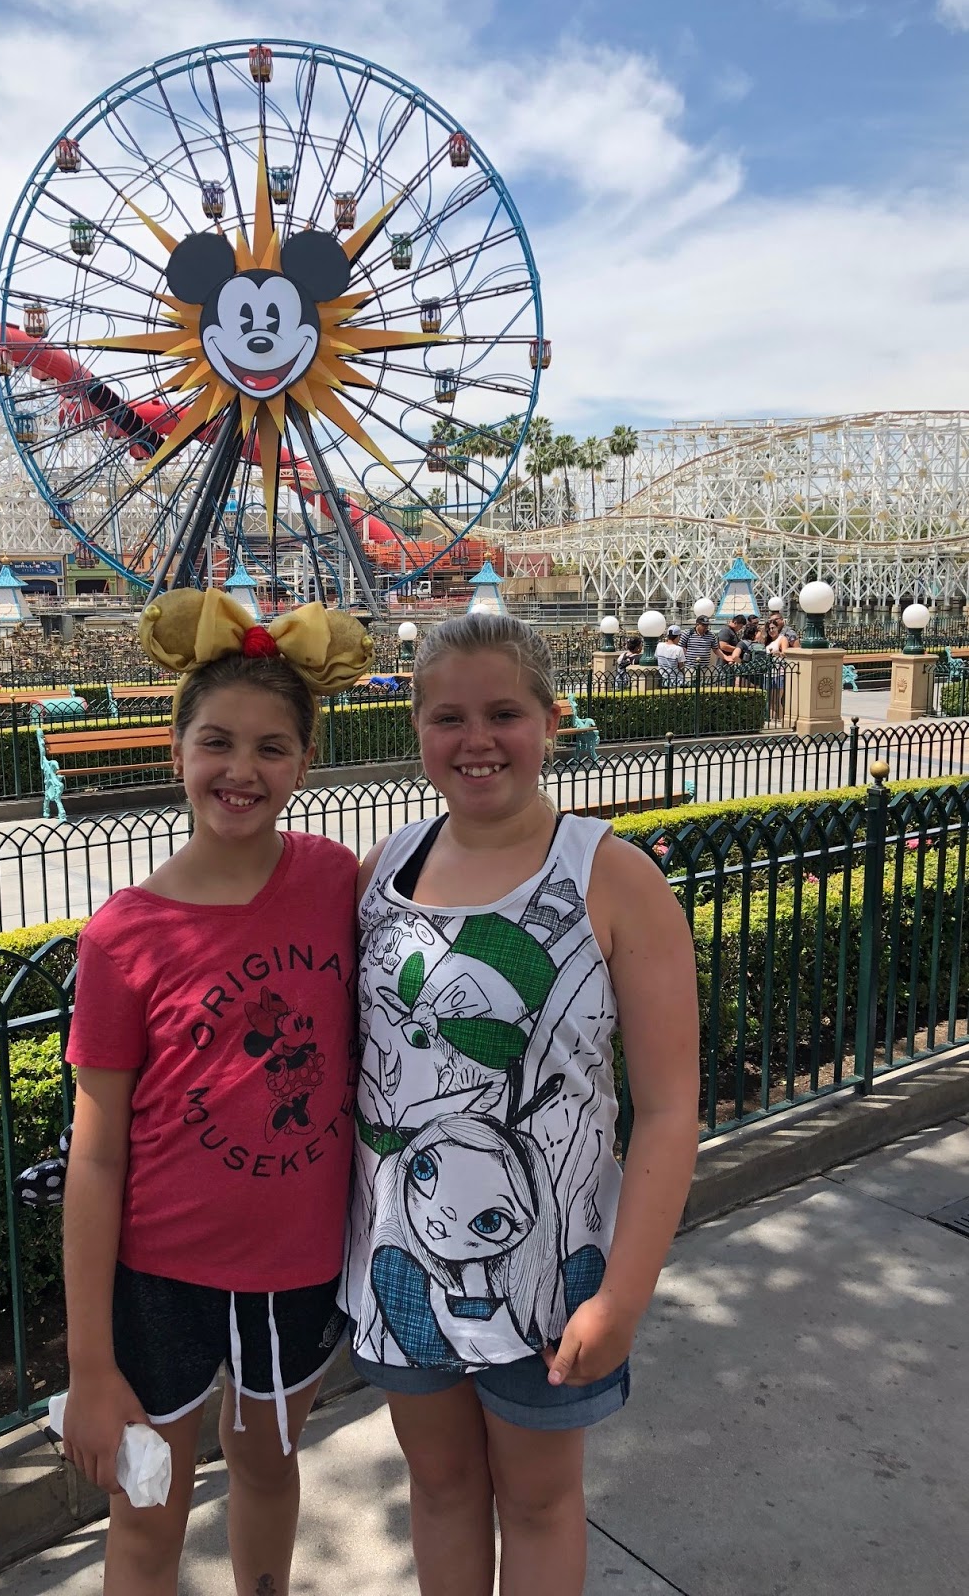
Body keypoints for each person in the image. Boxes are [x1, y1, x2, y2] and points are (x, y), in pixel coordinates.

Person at [342, 611, 699, 1596]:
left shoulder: (612, 878)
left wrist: (621, 1295)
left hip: (551, 1281)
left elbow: (670, 1107)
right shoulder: (384, 870)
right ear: (417, 729)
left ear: (550, 719)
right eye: (448, 718)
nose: (477, 740)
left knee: (538, 1502)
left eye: (503, 713)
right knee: (440, 1487)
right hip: (402, 1267)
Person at [60, 587, 370, 1596]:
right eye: (218, 743)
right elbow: (96, 1153)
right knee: (147, 1509)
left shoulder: (336, 880)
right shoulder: (124, 935)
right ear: (177, 752)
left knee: (267, 1467)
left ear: (304, 763)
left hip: (298, 1263)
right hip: (158, 1277)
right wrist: (90, 1364)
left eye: (271, 747)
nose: (242, 769)